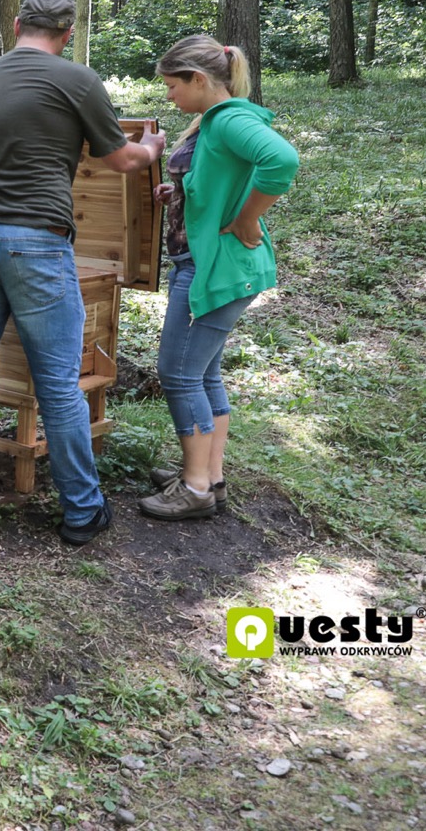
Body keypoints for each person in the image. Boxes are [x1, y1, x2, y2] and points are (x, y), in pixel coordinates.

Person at [0, 0, 165, 545]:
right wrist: (152, 150)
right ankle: (82, 512)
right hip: (37, 243)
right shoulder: (78, 80)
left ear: (16, 25)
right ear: (67, 34)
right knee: (60, 385)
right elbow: (120, 159)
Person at [139, 35, 298, 520]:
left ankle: (195, 489)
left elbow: (282, 161)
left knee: (178, 373)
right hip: (210, 261)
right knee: (203, 372)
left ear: (199, 80)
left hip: (215, 266)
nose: (169, 95)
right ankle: (211, 475)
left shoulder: (228, 119)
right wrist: (183, 191)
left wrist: (248, 219)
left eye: (172, 86)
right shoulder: (211, 122)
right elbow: (219, 176)